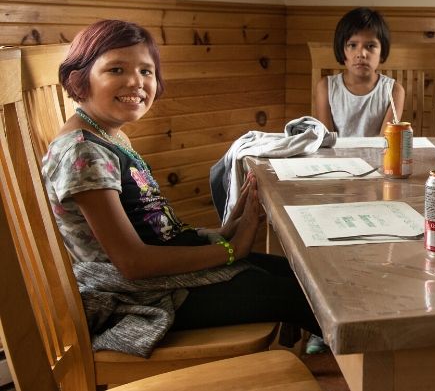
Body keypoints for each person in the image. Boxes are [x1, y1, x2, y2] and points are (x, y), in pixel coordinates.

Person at [42, 19, 320, 356]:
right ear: (80, 78)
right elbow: (132, 263)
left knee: (305, 275)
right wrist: (232, 250)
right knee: (298, 294)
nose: (135, 81)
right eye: (116, 69)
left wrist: (224, 231)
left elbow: (151, 224)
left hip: (158, 280)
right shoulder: (82, 152)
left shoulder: (110, 135)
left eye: (147, 71)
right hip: (138, 297)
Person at [314, 7, 406, 136]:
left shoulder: (394, 91)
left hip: (376, 156)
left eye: (370, 46)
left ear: (382, 52)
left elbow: (385, 143)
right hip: (336, 156)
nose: (361, 54)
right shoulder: (326, 87)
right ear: (342, 49)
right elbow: (327, 142)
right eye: (352, 45)